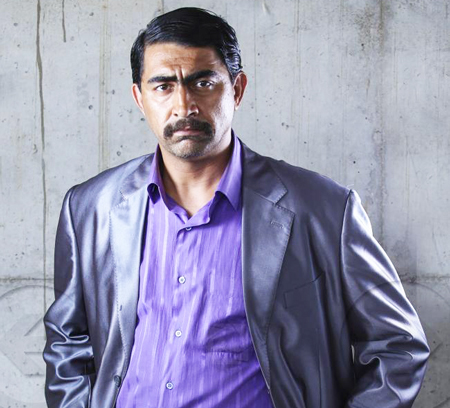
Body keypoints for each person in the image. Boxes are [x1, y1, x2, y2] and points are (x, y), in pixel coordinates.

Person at [43, 7, 429, 408]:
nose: (184, 105)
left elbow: (398, 346)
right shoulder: (90, 208)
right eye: (163, 86)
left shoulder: (322, 209)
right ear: (140, 98)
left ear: (237, 89)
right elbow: (68, 343)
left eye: (203, 82)